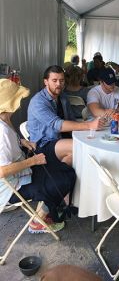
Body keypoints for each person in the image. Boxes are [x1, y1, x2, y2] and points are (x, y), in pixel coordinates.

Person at [0, 79, 76, 233]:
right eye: (18, 98)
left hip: (19, 174)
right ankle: (38, 221)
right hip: (11, 188)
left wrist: (21, 142)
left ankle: (48, 209)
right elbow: (2, 171)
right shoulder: (2, 132)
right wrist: (33, 161)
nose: (20, 101)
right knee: (63, 178)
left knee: (63, 170)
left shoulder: (4, 121)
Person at [28, 66, 103, 166]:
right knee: (82, 147)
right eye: (54, 80)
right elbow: (57, 124)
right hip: (43, 144)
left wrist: (91, 126)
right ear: (46, 82)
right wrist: (89, 125)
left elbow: (71, 120)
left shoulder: (62, 97)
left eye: (61, 80)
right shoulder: (38, 101)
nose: (58, 84)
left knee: (89, 145)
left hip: (61, 139)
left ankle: (61, 176)